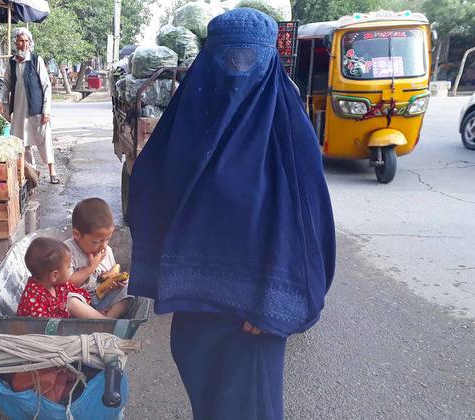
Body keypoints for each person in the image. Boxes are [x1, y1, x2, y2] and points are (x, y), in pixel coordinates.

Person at [127, 9, 336, 420]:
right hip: (195, 311)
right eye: (228, 59)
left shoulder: (288, 133)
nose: (238, 72)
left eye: (250, 60)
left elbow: (309, 227)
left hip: (253, 318)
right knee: (208, 403)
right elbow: (149, 195)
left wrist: (275, 308)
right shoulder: (185, 123)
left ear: (269, 59)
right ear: (209, 57)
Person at [0, 28, 59, 184]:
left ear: (30, 43)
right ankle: (32, 173)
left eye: (26, 41)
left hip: (37, 108)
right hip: (19, 109)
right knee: (23, 143)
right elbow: (6, 84)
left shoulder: (36, 60)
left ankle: (52, 171)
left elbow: (46, 86)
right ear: (16, 42)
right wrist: (0, 99)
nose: (23, 44)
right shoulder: (11, 62)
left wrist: (46, 110)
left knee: (44, 138)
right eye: (20, 41)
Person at [65, 198, 132, 319]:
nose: (104, 246)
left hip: (101, 300)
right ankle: (102, 322)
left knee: (129, 288)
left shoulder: (107, 251)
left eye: (107, 239)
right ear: (77, 235)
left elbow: (105, 278)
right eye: (96, 242)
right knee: (69, 300)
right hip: (80, 304)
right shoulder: (67, 251)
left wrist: (115, 283)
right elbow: (66, 282)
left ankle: (108, 319)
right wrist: (91, 267)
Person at [17, 237, 108, 320]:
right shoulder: (33, 301)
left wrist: (92, 313)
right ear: (54, 275)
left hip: (67, 322)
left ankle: (104, 321)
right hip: (51, 334)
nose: (70, 270)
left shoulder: (57, 284)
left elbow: (79, 296)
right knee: (72, 302)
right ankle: (106, 324)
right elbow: (43, 329)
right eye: (69, 267)